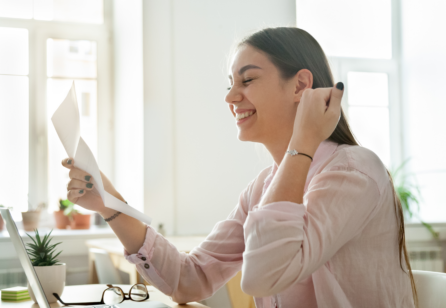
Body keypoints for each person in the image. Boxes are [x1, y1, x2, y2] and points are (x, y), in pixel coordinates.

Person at [61, 27, 416, 308]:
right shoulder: (264, 187)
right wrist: (110, 203)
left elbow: (264, 277)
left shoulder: (353, 172)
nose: (231, 97)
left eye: (247, 81)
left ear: (301, 85)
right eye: (230, 85)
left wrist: (303, 142)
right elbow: (190, 280)